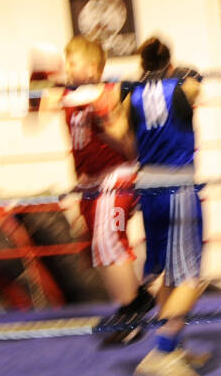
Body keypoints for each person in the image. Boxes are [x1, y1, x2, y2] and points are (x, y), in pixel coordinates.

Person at [105, 37, 210, 376]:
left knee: (169, 268)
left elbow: (117, 133)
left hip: (148, 185)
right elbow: (198, 86)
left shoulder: (131, 95)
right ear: (169, 61)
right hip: (178, 186)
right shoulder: (183, 86)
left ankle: (176, 347)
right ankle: (163, 352)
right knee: (190, 277)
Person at [39, 37, 154, 345]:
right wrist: (37, 78)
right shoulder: (64, 93)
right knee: (98, 246)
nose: (67, 68)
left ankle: (131, 316)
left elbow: (129, 146)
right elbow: (33, 118)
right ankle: (135, 302)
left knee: (108, 241)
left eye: (73, 63)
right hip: (90, 182)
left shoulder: (110, 91)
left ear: (91, 67)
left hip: (115, 175)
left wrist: (105, 119)